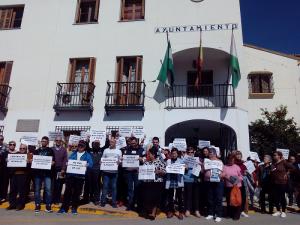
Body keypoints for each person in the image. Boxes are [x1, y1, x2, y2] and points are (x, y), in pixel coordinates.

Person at [57, 141, 93, 215]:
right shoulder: (73, 153)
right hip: (70, 176)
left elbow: (91, 164)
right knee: (67, 192)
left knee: (77, 193)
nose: (80, 147)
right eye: (79, 146)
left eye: (82, 146)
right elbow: (68, 161)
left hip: (80, 177)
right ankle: (64, 208)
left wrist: (87, 164)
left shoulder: (87, 155)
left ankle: (74, 208)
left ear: (85, 147)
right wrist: (67, 163)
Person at [139, 147, 166, 220]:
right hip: (148, 183)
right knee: (148, 198)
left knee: (155, 199)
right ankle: (149, 211)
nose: (148, 155)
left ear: (153, 155)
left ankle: (153, 213)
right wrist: (140, 172)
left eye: (149, 154)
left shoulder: (160, 162)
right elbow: (143, 172)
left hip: (157, 183)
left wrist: (159, 172)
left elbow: (164, 172)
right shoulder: (146, 162)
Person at [32, 136, 55, 213]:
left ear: (47, 142)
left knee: (48, 190)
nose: (43, 142)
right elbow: (34, 160)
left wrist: (52, 163)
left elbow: (53, 161)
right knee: (37, 190)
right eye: (42, 141)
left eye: (45, 141)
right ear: (41, 142)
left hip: (47, 173)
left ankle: (48, 205)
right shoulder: (36, 151)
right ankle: (37, 205)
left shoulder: (50, 151)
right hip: (38, 173)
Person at [83, 138, 109, 205]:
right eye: (95, 143)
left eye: (98, 143)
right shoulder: (90, 150)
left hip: (98, 171)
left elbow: (107, 145)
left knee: (97, 185)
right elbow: (86, 146)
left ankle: (96, 199)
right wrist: (87, 140)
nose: (96, 144)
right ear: (93, 144)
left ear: (99, 144)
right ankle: (87, 199)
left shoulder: (101, 150)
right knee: (88, 185)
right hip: (89, 170)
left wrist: (107, 137)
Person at [270, 151, 295, 218]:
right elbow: (272, 171)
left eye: (275, 155)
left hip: (282, 182)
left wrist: (287, 173)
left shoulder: (284, 162)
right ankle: (278, 211)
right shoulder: (273, 163)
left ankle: (283, 212)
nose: (274, 156)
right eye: (274, 155)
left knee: (282, 197)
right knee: (276, 197)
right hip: (274, 182)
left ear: (279, 156)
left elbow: (292, 167)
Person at [122, 137, 144, 210]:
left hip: (137, 172)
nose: (133, 144)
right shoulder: (127, 149)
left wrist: (142, 159)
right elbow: (124, 159)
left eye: (134, 143)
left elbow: (145, 159)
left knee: (138, 188)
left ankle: (137, 204)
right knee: (130, 188)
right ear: (130, 143)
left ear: (137, 142)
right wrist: (123, 159)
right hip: (128, 172)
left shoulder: (141, 149)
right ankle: (130, 204)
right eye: (132, 143)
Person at [100, 138, 122, 208]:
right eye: (110, 142)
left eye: (112, 142)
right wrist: (101, 162)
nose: (111, 143)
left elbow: (120, 160)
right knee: (105, 186)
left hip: (114, 172)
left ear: (115, 143)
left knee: (114, 187)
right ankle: (103, 201)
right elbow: (102, 158)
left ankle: (113, 202)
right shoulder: (106, 150)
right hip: (106, 172)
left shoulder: (119, 151)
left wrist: (119, 162)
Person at [204, 148, 224, 223]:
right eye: (209, 153)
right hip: (209, 181)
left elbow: (223, 171)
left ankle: (218, 215)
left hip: (219, 181)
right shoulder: (206, 161)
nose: (210, 154)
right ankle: (211, 213)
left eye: (211, 153)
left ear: (215, 153)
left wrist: (220, 175)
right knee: (210, 198)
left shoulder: (220, 161)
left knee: (218, 198)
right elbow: (203, 170)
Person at [7, 144, 29, 210]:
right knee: (13, 190)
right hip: (14, 175)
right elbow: (10, 163)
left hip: (23, 175)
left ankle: (20, 205)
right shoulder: (15, 155)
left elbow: (31, 167)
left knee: (22, 191)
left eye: (23, 148)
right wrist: (7, 160)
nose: (22, 149)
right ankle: (12, 204)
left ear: (26, 149)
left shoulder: (29, 155)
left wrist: (29, 162)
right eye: (21, 148)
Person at [165, 148, 185, 220]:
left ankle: (180, 212)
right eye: (172, 153)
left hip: (178, 181)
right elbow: (166, 169)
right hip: (170, 180)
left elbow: (184, 169)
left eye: (175, 153)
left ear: (177, 154)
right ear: (171, 154)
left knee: (179, 198)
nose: (174, 155)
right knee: (170, 197)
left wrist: (185, 168)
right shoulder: (168, 161)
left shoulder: (181, 161)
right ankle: (170, 211)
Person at [223, 155, 243, 220]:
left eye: (233, 159)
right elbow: (224, 175)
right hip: (229, 186)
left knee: (237, 200)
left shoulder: (237, 167)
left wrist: (237, 180)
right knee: (229, 200)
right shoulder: (224, 167)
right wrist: (229, 178)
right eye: (230, 159)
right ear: (227, 160)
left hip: (237, 186)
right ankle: (229, 213)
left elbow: (241, 176)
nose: (231, 161)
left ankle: (237, 215)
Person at [183, 147, 201, 218]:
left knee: (196, 196)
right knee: (188, 196)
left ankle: (196, 210)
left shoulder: (197, 160)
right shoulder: (184, 160)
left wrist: (199, 166)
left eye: (192, 152)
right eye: (189, 152)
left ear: (194, 153)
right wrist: (185, 168)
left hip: (195, 180)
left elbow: (200, 169)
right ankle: (188, 210)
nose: (190, 154)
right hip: (187, 180)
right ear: (187, 153)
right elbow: (180, 169)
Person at [52, 136, 68, 204]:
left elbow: (65, 160)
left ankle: (57, 200)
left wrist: (63, 169)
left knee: (59, 185)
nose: (58, 142)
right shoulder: (51, 149)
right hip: (52, 169)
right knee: (52, 185)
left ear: (61, 142)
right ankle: (52, 199)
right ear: (55, 141)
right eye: (57, 140)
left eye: (59, 141)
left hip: (60, 169)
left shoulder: (64, 150)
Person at [235, 151, 249, 217]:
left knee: (243, 197)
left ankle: (242, 211)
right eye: (237, 155)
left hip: (243, 182)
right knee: (237, 197)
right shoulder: (234, 163)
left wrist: (246, 172)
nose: (238, 156)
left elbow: (246, 171)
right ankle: (237, 211)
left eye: (240, 154)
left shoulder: (244, 163)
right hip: (236, 182)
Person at [0, 135, 8, 203]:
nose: (0, 140)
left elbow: (10, 153)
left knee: (3, 182)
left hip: (3, 167)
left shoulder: (6, 146)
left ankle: (3, 196)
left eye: (2, 139)